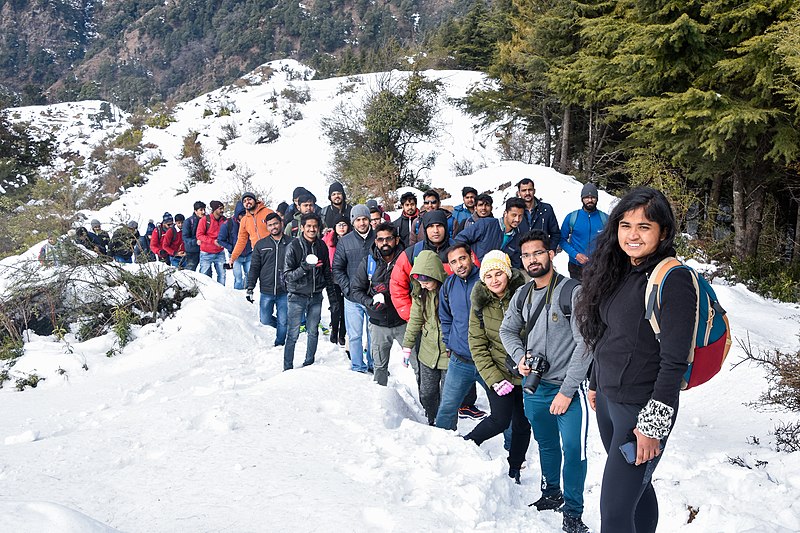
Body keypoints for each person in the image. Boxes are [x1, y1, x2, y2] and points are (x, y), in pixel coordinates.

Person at [575, 187, 695, 533]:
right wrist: (596, 382)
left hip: (641, 409)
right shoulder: (621, 271)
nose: (632, 235)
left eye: (644, 227)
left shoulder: (673, 280)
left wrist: (653, 426)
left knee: (613, 515)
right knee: (637, 492)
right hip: (611, 401)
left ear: (663, 232)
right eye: (625, 225)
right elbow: (611, 336)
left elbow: (673, 363)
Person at [499, 229, 592, 533]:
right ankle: (551, 492)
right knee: (547, 444)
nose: (532, 259)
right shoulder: (522, 294)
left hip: (569, 390)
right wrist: (520, 358)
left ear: (551, 254)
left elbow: (586, 343)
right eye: (526, 255)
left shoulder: (572, 292)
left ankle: (574, 513)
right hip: (535, 387)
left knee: (574, 451)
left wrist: (567, 391)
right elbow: (507, 331)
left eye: (538, 253)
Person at [463, 251, 530, 483]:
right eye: (488, 276)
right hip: (498, 373)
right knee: (500, 419)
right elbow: (477, 344)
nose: (494, 280)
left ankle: (515, 469)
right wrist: (493, 378)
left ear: (508, 273)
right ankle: (466, 444)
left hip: (525, 371)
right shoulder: (479, 304)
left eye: (499, 273)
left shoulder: (524, 295)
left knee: (522, 424)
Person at [435, 243, 484, 431]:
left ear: (471, 256)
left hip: (488, 360)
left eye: (462, 258)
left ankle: (513, 453)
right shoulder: (449, 284)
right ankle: (444, 444)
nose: (459, 265)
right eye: (453, 262)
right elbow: (445, 317)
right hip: (460, 359)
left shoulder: (485, 279)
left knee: (504, 410)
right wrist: (449, 342)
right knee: (447, 407)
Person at [350, 222, 405, 386]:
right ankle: (383, 403)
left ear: (396, 240)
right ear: (376, 241)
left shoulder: (405, 259)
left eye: (388, 239)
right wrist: (370, 302)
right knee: (379, 367)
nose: (385, 243)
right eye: (380, 239)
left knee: (418, 365)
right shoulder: (368, 263)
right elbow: (356, 289)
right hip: (378, 323)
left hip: (404, 322)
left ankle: (427, 404)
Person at [401, 250, 449, 425]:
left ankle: (446, 427)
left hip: (448, 352)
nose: (423, 285)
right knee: (427, 393)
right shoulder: (420, 294)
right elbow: (415, 320)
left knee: (448, 398)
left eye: (426, 281)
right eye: (420, 282)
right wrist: (407, 347)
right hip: (428, 351)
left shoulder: (449, 291)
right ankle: (432, 418)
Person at [283, 212, 333, 370]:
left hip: (316, 295)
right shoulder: (294, 246)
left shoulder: (321, 246)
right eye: (309, 226)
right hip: (297, 296)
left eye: (315, 226)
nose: (312, 229)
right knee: (292, 334)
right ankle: (287, 367)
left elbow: (327, 271)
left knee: (313, 331)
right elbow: (287, 276)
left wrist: (331, 295)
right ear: (302, 227)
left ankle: (309, 363)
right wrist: (304, 267)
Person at [332, 204, 376, 373]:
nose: (362, 223)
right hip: (352, 298)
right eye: (358, 220)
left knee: (373, 335)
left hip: (372, 296)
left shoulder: (377, 238)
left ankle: (374, 364)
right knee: (355, 335)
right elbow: (337, 268)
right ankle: (358, 366)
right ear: (353, 222)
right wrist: (348, 288)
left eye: (364, 219)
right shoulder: (345, 241)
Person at [246, 212, 291, 346]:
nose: (273, 227)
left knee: (283, 320)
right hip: (267, 289)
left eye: (276, 224)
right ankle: (285, 329)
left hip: (285, 290)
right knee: (264, 319)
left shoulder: (292, 242)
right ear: (267, 227)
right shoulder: (261, 245)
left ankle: (280, 344)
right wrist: (250, 287)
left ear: (281, 223)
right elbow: (254, 267)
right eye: (270, 225)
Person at [455, 197, 525, 268]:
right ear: (505, 213)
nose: (517, 219)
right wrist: (469, 260)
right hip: (475, 273)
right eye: (514, 215)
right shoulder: (486, 224)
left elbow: (515, 264)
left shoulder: (517, 238)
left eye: (520, 216)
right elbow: (460, 239)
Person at [560, 183, 608, 281]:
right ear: (582, 198)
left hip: (598, 266)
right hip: (576, 266)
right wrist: (575, 255)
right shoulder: (572, 217)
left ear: (597, 198)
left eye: (593, 197)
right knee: (577, 294)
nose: (590, 200)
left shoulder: (605, 219)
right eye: (586, 197)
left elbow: (611, 241)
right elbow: (561, 240)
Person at [322, 215, 351, 347]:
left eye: (344, 224)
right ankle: (334, 331)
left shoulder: (352, 238)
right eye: (338, 224)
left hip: (348, 277)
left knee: (346, 307)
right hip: (333, 278)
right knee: (335, 307)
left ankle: (342, 334)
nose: (341, 227)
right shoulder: (327, 239)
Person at [229, 191, 274, 269]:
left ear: (255, 200)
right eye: (244, 201)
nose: (247, 202)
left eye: (249, 199)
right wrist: (233, 257)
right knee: (263, 278)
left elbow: (278, 229)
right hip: (258, 252)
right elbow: (241, 240)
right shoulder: (244, 220)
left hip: (272, 250)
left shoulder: (267, 212)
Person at [516, 178, 561, 251]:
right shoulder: (515, 211)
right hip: (521, 256)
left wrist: (551, 250)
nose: (527, 193)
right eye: (524, 190)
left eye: (530, 190)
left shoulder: (546, 209)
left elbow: (555, 233)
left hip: (541, 255)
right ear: (519, 193)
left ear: (534, 191)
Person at [219, 201, 251, 289]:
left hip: (248, 254)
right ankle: (238, 297)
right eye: (241, 214)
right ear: (237, 214)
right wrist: (232, 248)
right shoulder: (227, 224)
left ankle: (247, 294)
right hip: (235, 256)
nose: (243, 217)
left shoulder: (250, 222)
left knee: (250, 276)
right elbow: (221, 240)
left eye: (245, 214)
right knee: (238, 278)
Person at [196, 200, 228, 285]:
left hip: (220, 252)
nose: (222, 210)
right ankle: (204, 294)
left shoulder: (225, 220)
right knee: (204, 276)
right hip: (206, 253)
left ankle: (222, 293)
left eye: (222, 208)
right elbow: (199, 235)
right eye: (220, 208)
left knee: (222, 275)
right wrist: (213, 241)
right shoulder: (205, 220)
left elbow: (228, 233)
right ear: (214, 209)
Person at [182, 201, 206, 271]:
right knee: (190, 271)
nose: (203, 212)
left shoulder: (207, 220)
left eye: (204, 209)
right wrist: (195, 242)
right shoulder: (188, 221)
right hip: (192, 251)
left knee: (206, 272)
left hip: (205, 250)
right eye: (201, 210)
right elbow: (185, 237)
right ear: (195, 211)